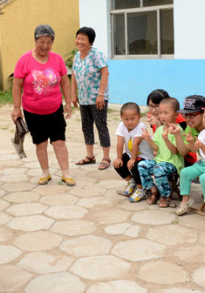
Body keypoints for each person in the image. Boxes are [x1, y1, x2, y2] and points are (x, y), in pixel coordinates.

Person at [12, 25, 75, 186]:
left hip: (54, 108)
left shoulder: (57, 59)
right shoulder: (24, 60)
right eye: (41, 41)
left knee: (59, 141)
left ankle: (65, 173)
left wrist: (68, 102)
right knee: (40, 143)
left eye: (48, 42)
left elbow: (65, 82)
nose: (45, 46)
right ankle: (45, 173)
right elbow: (17, 85)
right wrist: (16, 108)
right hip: (32, 110)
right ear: (35, 40)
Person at [71, 27, 111, 170]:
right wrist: (73, 94)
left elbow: (105, 74)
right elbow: (74, 76)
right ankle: (90, 156)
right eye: (78, 38)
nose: (79, 41)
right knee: (86, 126)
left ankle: (106, 157)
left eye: (83, 38)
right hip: (83, 98)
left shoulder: (97, 55)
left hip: (97, 98)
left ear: (90, 41)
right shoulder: (76, 56)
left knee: (100, 124)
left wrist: (101, 94)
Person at [137, 97, 187, 207]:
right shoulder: (160, 129)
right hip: (159, 160)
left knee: (158, 169)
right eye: (160, 113)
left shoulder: (177, 130)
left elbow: (175, 151)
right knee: (142, 165)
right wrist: (148, 139)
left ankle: (165, 195)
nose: (162, 116)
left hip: (173, 163)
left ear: (175, 115)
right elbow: (156, 148)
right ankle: (153, 190)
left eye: (165, 113)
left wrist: (166, 139)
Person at [114, 103, 154, 199]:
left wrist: (132, 159)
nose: (129, 122)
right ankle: (132, 182)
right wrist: (119, 158)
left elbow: (135, 144)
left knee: (134, 165)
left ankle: (141, 189)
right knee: (118, 164)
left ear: (139, 117)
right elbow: (120, 143)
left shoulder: (141, 126)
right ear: (121, 118)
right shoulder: (121, 126)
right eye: (126, 119)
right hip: (130, 153)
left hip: (144, 156)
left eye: (133, 118)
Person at [147, 89, 196, 167]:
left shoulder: (180, 122)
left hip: (183, 159)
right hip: (164, 156)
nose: (153, 110)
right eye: (150, 106)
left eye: (157, 107)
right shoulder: (153, 117)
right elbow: (159, 141)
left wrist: (158, 124)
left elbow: (179, 150)